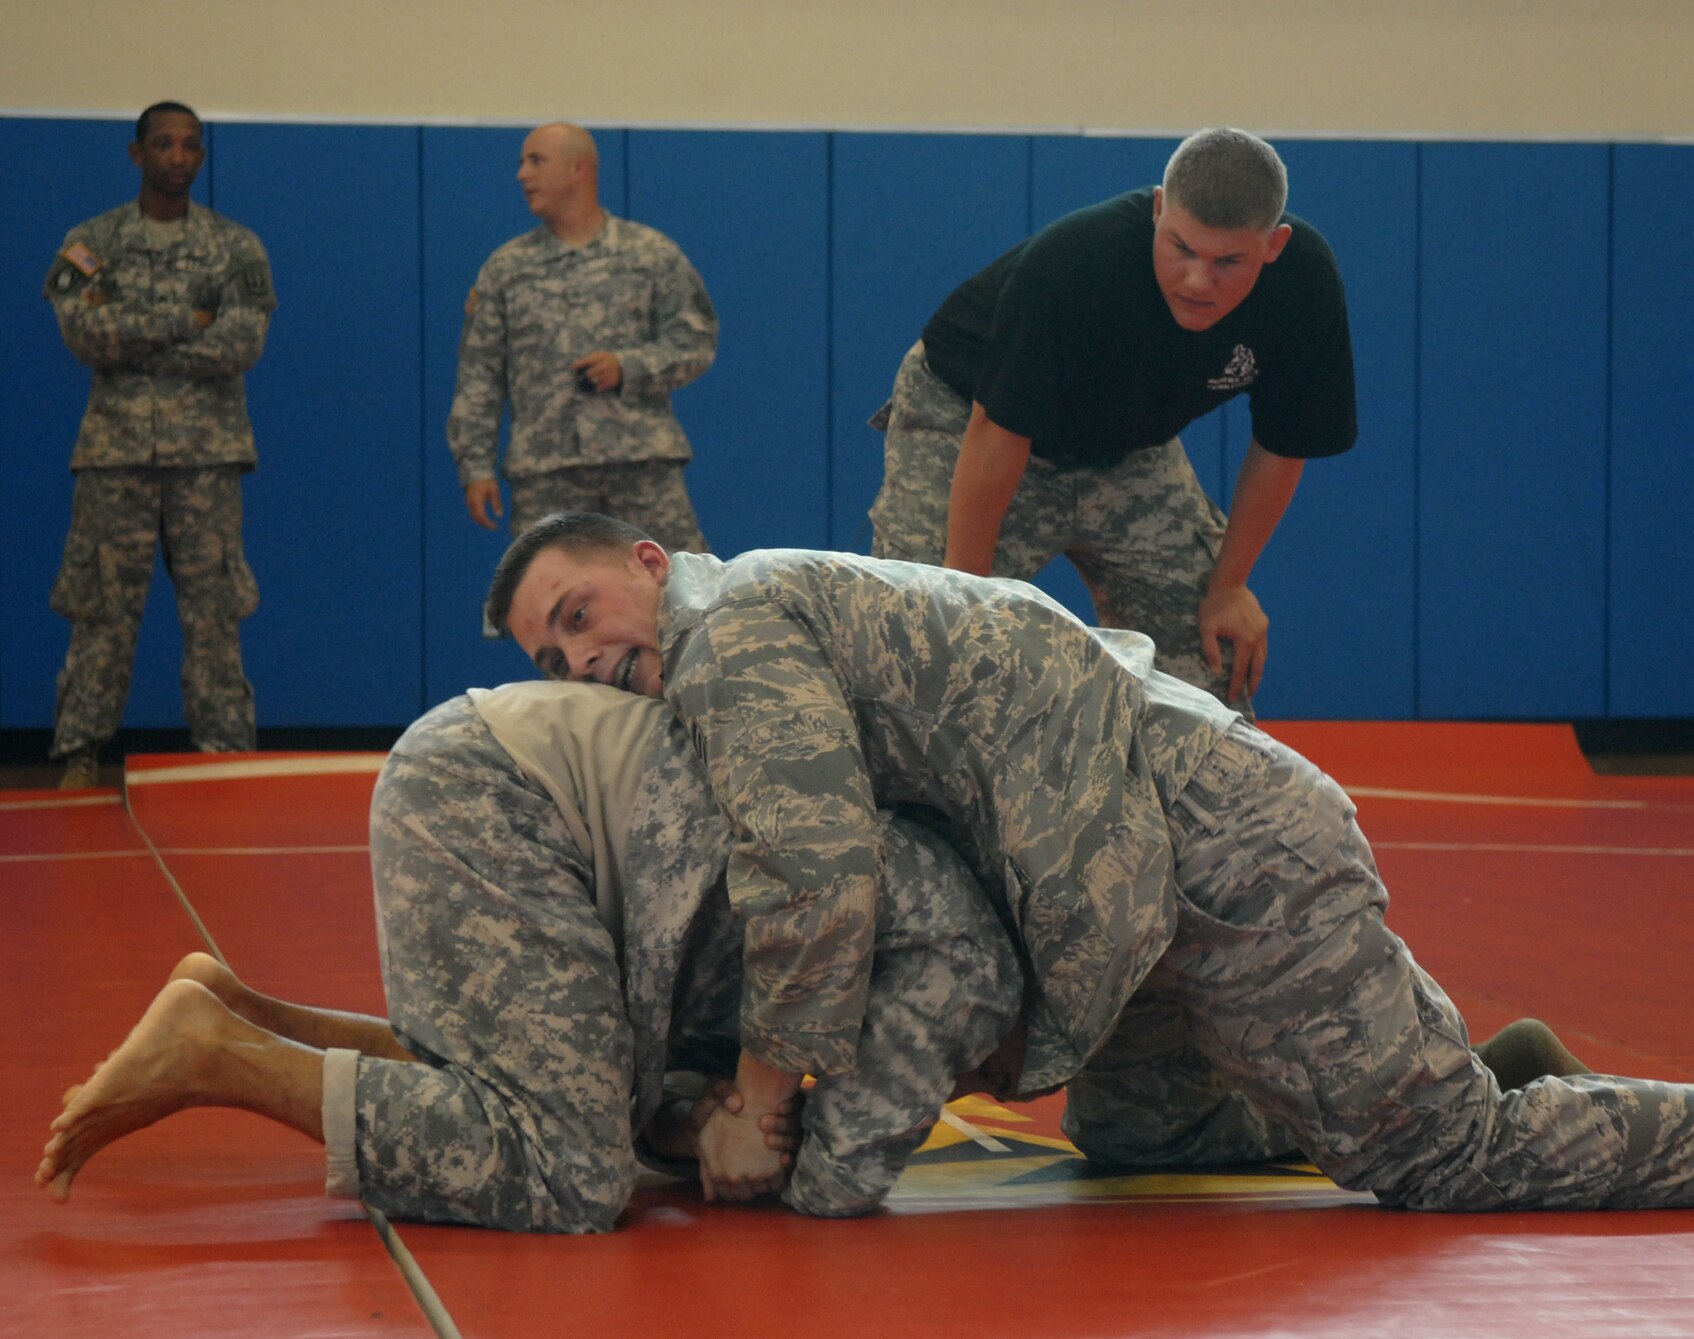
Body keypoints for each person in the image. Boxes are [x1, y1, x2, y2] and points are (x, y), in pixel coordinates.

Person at [490, 511, 1694, 1211]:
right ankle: (1481, 1057)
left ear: (643, 556)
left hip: (1211, 852)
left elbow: (813, 878)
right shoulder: (753, 608)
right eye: (547, 650)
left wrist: (754, 1099)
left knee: (1435, 1159)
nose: (578, 653)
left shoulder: (730, 626)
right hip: (1121, 881)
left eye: (574, 609)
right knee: (1139, 1136)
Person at [37, 681, 1024, 1227]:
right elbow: (838, 1177)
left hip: (494, 779)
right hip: (499, 797)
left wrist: (710, 1116)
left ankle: (246, 1015)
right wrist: (752, 1134)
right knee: (570, 1167)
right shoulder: (970, 960)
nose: (980, 1082)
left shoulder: (918, 885)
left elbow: (677, 1047)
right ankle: (227, 1060)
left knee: (575, 1091)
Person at [867, 127, 1357, 710]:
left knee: (1205, 668)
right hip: (970, 416)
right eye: (1181, 248)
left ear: (1273, 246)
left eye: (1229, 261)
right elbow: (997, 430)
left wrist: (1228, 586)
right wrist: (965, 593)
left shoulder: (1304, 284)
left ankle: (1172, 797)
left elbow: (1283, 445)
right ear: (1157, 210)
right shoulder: (1075, 261)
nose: (1198, 280)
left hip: (1127, 446)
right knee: (919, 645)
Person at [43, 101, 276, 789]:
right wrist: (187, 318)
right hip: (115, 458)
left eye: (190, 147)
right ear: (136, 153)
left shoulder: (237, 246)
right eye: (163, 144)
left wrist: (135, 336)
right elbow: (85, 336)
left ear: (202, 158)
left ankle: (224, 760)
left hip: (207, 460)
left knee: (214, 616)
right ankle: (79, 755)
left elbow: (241, 344)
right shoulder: (92, 242)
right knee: (100, 613)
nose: (178, 158)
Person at [447, 122, 717, 549]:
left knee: (679, 594)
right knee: (548, 601)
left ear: (579, 169)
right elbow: (479, 375)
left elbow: (696, 343)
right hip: (546, 474)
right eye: (521, 163)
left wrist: (628, 367)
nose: (522, 174)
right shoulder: (507, 268)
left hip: (641, 466)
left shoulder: (649, 254)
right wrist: (475, 466)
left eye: (536, 161)